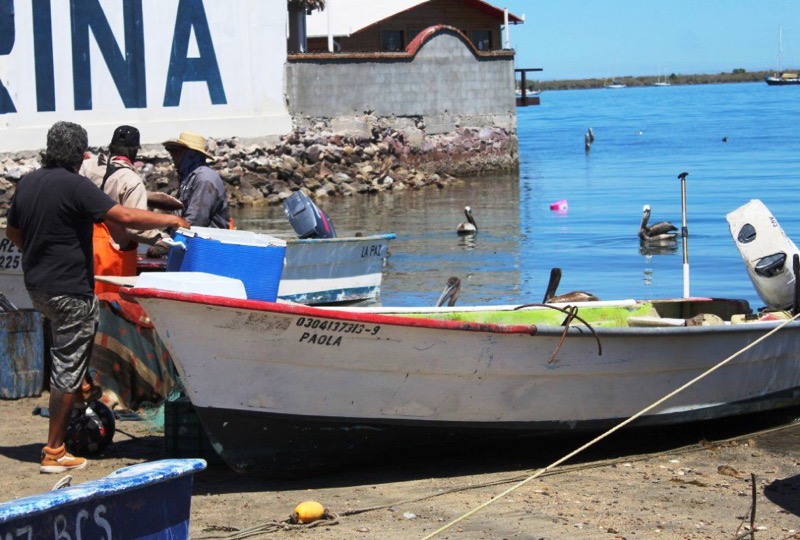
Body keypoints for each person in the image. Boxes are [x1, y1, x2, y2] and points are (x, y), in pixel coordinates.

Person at [6, 121, 190, 473]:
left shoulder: (28, 182)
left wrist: (39, 253)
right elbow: (121, 215)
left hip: (38, 287)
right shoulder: (75, 184)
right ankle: (54, 451)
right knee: (68, 365)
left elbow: (14, 231)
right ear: (80, 154)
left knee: (70, 353)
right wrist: (167, 217)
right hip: (69, 288)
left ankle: (80, 396)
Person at [80, 125, 173, 294]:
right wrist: (164, 239)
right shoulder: (131, 181)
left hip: (82, 252)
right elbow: (135, 230)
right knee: (112, 309)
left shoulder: (86, 167)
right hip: (114, 261)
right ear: (135, 152)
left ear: (111, 146)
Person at [164, 131, 229, 228]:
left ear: (191, 154)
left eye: (175, 150)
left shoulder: (204, 179)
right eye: (170, 150)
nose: (171, 154)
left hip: (206, 241)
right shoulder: (188, 177)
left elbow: (195, 222)